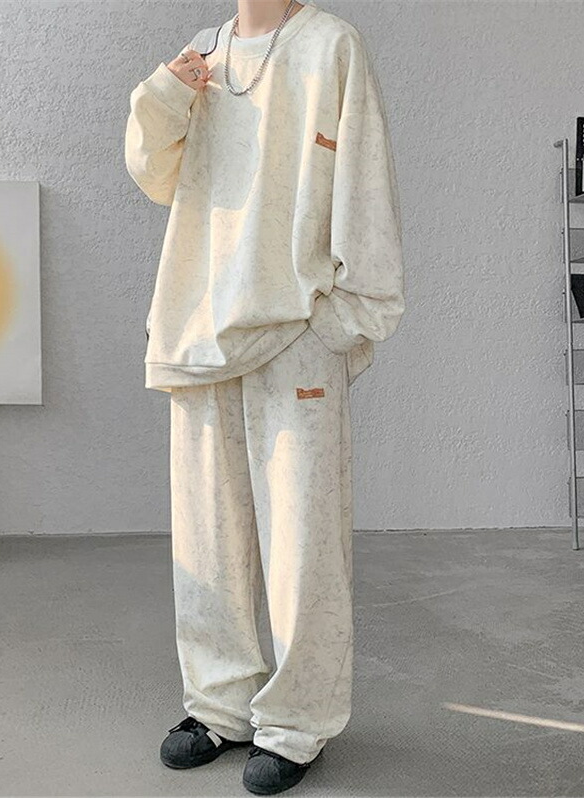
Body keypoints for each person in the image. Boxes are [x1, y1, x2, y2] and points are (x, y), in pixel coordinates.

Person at [124, 0, 405, 793]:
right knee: (207, 536)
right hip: (199, 326)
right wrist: (166, 92)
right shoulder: (202, 52)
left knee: (303, 543)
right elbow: (156, 176)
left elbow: (365, 177)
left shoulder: (331, 45)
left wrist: (350, 314)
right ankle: (219, 708)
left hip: (295, 328)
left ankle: (297, 723)